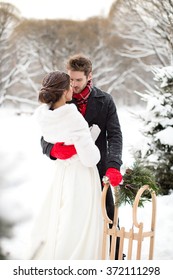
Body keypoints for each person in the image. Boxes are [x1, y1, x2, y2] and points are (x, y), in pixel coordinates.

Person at [41, 54, 123, 259]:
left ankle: (116, 261)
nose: (74, 85)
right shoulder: (60, 100)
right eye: (71, 80)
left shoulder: (105, 100)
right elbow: (44, 134)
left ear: (89, 76)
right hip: (72, 171)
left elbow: (115, 135)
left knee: (109, 217)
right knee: (68, 219)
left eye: (79, 80)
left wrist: (113, 165)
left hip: (99, 170)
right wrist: (52, 149)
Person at [33, 70, 103, 260]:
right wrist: (90, 140)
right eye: (69, 86)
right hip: (80, 175)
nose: (73, 87)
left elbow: (56, 138)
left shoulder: (43, 116)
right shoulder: (73, 117)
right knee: (79, 223)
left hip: (59, 172)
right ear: (64, 92)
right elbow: (90, 158)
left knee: (61, 219)